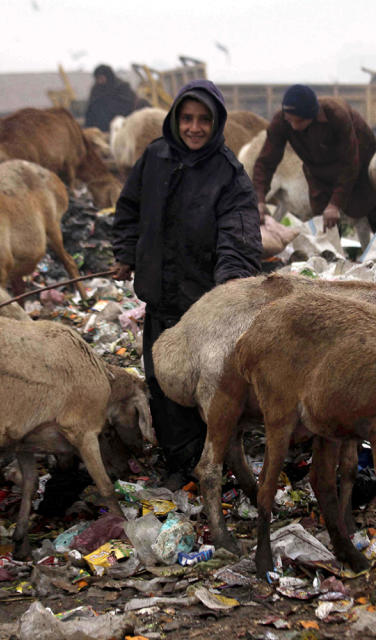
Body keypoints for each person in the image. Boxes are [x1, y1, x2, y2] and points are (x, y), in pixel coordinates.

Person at [111, 79, 262, 485]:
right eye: (187, 118)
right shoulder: (155, 158)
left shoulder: (229, 174)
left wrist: (227, 291)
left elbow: (240, 239)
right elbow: (129, 209)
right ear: (176, 119)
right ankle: (179, 464)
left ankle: (208, 462)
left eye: (203, 120)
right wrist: (126, 254)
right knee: (161, 383)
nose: (195, 128)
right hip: (160, 299)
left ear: (216, 123)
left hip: (202, 309)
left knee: (203, 388)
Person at [252, 84, 376, 252]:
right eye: (290, 120)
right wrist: (259, 199)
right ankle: (331, 267)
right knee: (325, 229)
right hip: (319, 174)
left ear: (312, 116)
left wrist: (335, 204)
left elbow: (350, 163)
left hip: (361, 168)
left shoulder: (337, 115)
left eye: (299, 121)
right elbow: (266, 161)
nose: (293, 126)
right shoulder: (282, 121)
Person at [84, 64, 137, 132]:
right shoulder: (96, 89)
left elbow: (127, 107)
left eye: (101, 78)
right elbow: (90, 109)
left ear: (108, 76)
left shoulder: (122, 87)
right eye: (97, 79)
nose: (99, 81)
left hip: (119, 128)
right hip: (99, 129)